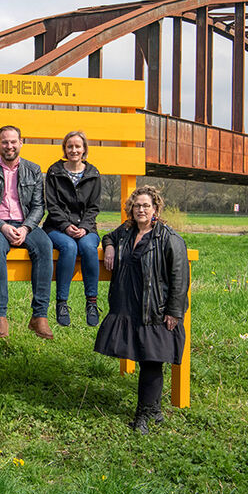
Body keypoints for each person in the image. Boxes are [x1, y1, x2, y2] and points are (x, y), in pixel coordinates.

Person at [94, 185, 189, 434]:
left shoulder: (169, 238)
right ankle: (155, 411)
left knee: (151, 360)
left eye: (146, 205)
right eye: (137, 206)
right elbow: (108, 237)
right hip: (129, 306)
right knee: (142, 354)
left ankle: (143, 415)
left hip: (155, 309)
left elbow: (180, 277)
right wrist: (111, 247)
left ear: (155, 208)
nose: (141, 210)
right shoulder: (126, 232)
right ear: (131, 210)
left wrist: (174, 311)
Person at [0, 125, 54, 339]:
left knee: (45, 246)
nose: (9, 146)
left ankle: (39, 316)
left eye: (13, 142)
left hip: (25, 222)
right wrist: (2, 226)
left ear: (21, 143)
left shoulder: (34, 169)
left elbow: (39, 206)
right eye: (4, 142)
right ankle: (0, 316)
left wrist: (26, 227)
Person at [42, 130, 102, 327]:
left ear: (84, 149)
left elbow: (94, 207)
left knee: (87, 248)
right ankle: (61, 302)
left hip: (87, 228)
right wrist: (67, 226)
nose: (74, 150)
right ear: (64, 149)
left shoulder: (93, 173)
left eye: (78, 146)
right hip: (57, 227)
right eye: (70, 146)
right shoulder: (54, 172)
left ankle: (91, 302)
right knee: (69, 248)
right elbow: (52, 205)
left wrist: (84, 227)